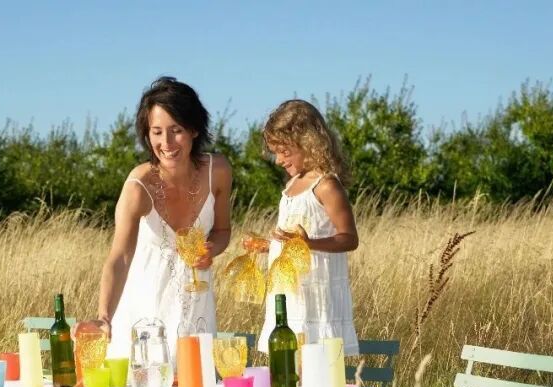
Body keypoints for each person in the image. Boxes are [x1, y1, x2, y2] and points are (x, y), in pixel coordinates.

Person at [98, 76, 233, 360]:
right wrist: (103, 316)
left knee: (197, 381)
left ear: (194, 129)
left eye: (176, 130)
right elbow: (119, 257)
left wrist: (211, 250)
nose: (166, 143)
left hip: (196, 308)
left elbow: (222, 232)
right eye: (157, 132)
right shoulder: (138, 186)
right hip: (145, 313)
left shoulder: (218, 171)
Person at [256, 99, 359, 356]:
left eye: (284, 151)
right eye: (275, 152)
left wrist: (309, 244)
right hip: (291, 293)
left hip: (317, 294)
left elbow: (349, 238)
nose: (278, 160)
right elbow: (293, 239)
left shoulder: (326, 186)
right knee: (289, 358)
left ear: (308, 142)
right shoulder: (291, 186)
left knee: (318, 360)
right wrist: (271, 246)